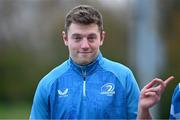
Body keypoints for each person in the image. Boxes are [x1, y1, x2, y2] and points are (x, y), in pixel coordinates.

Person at [30, 5, 174, 119]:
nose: (85, 45)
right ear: (65, 38)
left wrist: (143, 109)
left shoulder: (123, 76)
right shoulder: (48, 84)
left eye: (91, 37)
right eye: (77, 38)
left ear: (102, 37)